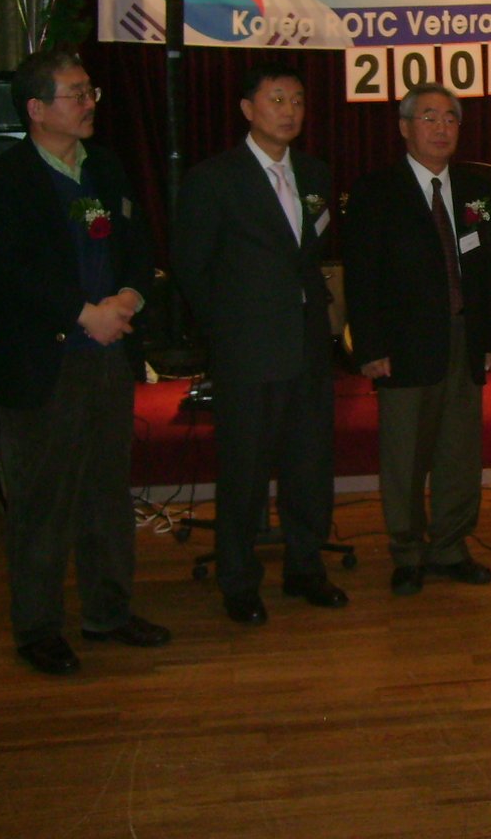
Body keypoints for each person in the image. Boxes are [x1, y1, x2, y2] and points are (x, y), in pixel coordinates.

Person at [0, 49, 170, 676]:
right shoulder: (0, 179)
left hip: (108, 356)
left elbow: (137, 242)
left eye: (90, 92)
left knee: (107, 493)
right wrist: (85, 314)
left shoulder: (104, 166)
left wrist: (129, 297)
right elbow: (11, 272)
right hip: (45, 363)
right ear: (36, 108)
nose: (89, 103)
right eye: (75, 94)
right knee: (42, 500)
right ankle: (37, 628)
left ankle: (109, 611)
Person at [173, 61, 344, 622]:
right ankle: (239, 580)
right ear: (248, 109)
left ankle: (305, 568)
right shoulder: (214, 178)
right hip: (246, 349)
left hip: (307, 344)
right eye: (276, 99)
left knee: (309, 464)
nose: (289, 111)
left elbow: (312, 254)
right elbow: (192, 268)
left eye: (297, 100)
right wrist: (226, 334)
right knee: (244, 471)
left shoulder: (315, 174)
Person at [341, 84, 491, 596]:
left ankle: (451, 547)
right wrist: (369, 347)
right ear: (404, 127)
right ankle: (408, 552)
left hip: (465, 337)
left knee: (460, 453)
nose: (441, 128)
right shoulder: (375, 191)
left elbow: (490, 269)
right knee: (405, 456)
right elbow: (361, 276)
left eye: (450, 119)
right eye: (429, 117)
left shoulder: (478, 190)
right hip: (403, 344)